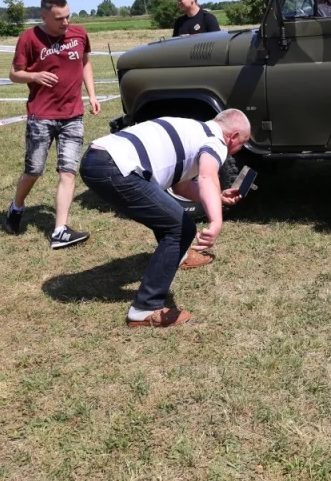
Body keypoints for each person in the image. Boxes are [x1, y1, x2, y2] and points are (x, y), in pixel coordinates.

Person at [79, 109, 251, 328]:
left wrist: (216, 197)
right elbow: (208, 176)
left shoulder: (194, 129)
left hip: (97, 158)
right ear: (232, 136)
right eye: (241, 143)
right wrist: (216, 221)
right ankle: (145, 308)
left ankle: (178, 257)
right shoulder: (215, 140)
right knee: (181, 228)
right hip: (114, 167)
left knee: (169, 216)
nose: (238, 150)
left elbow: (182, 184)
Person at [6, 0, 100, 248]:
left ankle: (59, 230)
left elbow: (85, 63)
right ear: (44, 16)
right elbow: (14, 74)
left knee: (68, 172)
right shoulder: (29, 38)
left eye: (68, 16)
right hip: (41, 116)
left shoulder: (79, 34)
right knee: (34, 170)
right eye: (59, 18)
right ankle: (16, 207)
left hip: (73, 116)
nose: (66, 22)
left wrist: (91, 95)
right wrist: (34, 77)